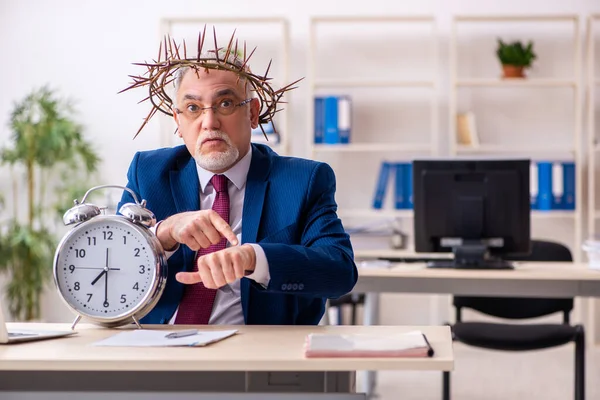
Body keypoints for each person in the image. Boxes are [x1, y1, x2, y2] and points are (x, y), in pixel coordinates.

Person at [118, 33, 357, 325]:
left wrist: (255, 259)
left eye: (226, 104)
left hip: (257, 356)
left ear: (253, 113)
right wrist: (162, 235)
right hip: (157, 349)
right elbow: (113, 263)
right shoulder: (148, 172)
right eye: (193, 108)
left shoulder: (303, 180)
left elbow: (340, 272)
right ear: (177, 121)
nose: (209, 123)